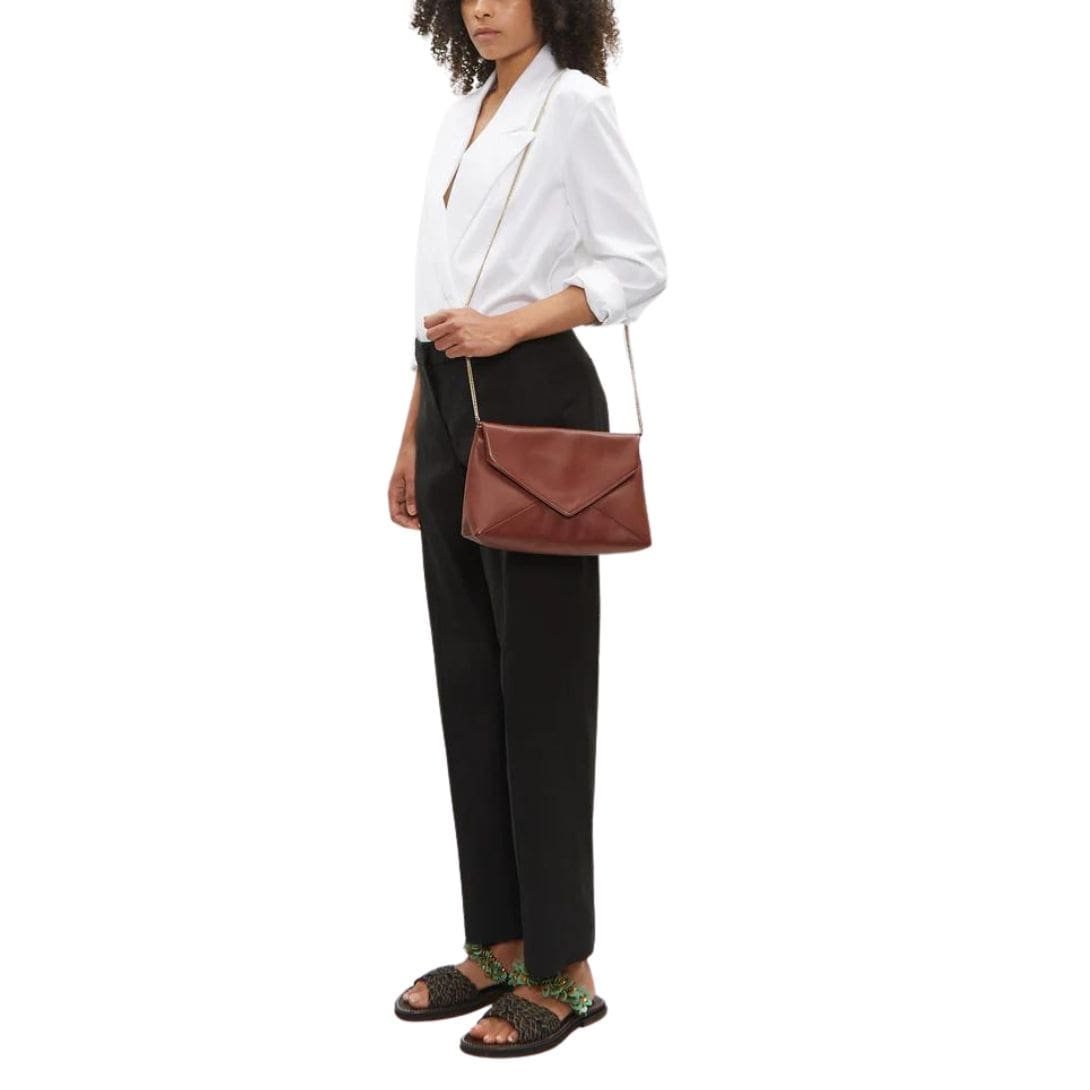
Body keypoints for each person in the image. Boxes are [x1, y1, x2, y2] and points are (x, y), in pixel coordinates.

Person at [388, 0, 667, 1058]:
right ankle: (501, 945)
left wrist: (510, 325)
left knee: (542, 692)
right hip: (448, 401)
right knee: (470, 684)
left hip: (534, 399)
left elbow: (638, 265)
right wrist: (414, 436)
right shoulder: (461, 109)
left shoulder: (575, 106)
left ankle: (568, 968)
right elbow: (437, 293)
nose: (484, 7)